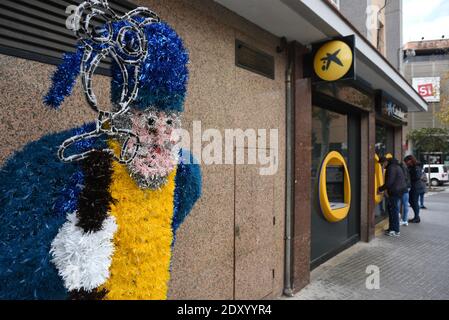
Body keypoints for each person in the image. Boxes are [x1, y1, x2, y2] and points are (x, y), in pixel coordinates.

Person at [378, 156, 408, 237]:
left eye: (382, 164)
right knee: (392, 210)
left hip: (395, 192)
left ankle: (395, 231)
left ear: (385, 162)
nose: (382, 166)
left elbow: (389, 182)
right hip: (399, 191)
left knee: (393, 211)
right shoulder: (396, 166)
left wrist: (380, 189)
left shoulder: (391, 168)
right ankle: (391, 228)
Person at [404, 155, 426, 223]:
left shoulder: (416, 167)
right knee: (412, 201)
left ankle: (417, 217)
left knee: (414, 202)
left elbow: (417, 177)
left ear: (410, 160)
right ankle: (416, 217)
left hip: (416, 187)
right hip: (414, 186)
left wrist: (409, 178)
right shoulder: (412, 167)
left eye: (407, 161)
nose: (406, 163)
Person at [399, 160, 411, 226]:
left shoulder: (402, 170)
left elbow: (403, 179)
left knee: (399, 203)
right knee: (405, 204)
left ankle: (403, 220)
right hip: (407, 187)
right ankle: (405, 220)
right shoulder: (406, 169)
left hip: (403, 188)